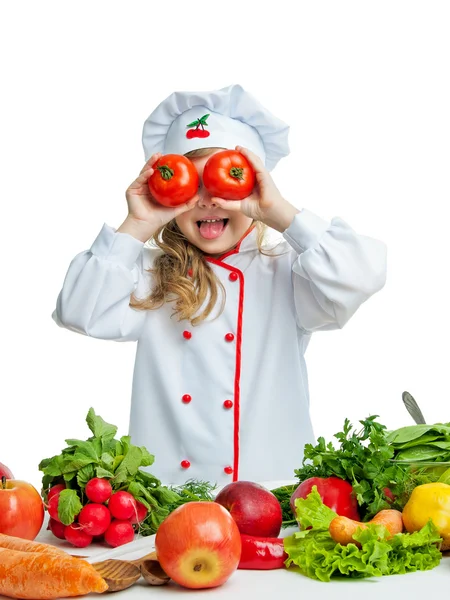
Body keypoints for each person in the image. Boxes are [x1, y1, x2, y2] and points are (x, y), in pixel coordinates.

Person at [53, 84, 387, 486]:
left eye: (224, 180)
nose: (208, 200)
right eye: (189, 185)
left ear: (253, 186)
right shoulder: (150, 273)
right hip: (171, 505)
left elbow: (362, 274)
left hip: (275, 499)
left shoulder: (288, 270)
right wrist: (136, 226)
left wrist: (279, 212)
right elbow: (77, 311)